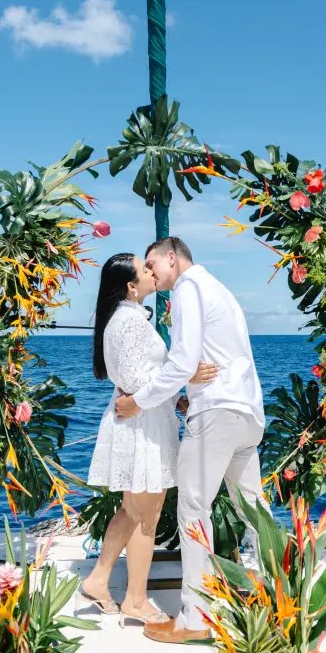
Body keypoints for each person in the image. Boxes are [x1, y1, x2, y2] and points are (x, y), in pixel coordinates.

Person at [115, 237, 268, 644]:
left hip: (218, 413)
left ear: (171, 257)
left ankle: (195, 618)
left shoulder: (187, 288)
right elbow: (219, 356)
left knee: (193, 510)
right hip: (247, 412)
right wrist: (189, 396)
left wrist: (138, 402)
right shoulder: (218, 288)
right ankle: (281, 597)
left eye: (152, 263)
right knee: (255, 511)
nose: (150, 272)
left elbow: (184, 359)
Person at [79, 252, 217, 628]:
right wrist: (189, 378)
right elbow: (140, 382)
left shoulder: (128, 320)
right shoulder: (128, 324)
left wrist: (179, 398)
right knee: (146, 516)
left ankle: (97, 580)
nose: (151, 272)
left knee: (133, 510)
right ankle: (136, 601)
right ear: (130, 286)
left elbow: (145, 376)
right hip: (141, 426)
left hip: (144, 419)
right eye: (144, 270)